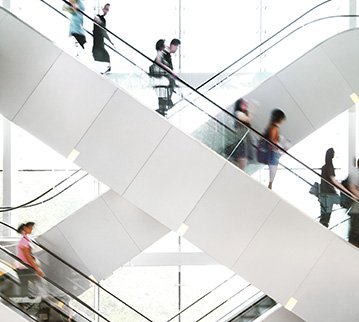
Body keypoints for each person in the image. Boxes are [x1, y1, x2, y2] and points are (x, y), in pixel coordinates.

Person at [319, 148, 354, 227]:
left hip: (324, 194)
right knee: (325, 218)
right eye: (333, 153)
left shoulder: (324, 166)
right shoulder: (329, 166)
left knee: (324, 217)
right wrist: (347, 191)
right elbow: (333, 181)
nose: (334, 155)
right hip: (328, 194)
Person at [16, 222, 44, 299]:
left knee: (25, 287)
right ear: (25, 228)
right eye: (30, 227)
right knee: (39, 284)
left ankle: (24, 304)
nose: (32, 229)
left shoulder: (26, 239)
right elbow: (28, 256)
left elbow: (29, 255)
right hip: (25, 268)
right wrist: (37, 268)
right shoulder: (24, 241)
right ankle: (41, 300)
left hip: (23, 267)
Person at [155, 38, 181, 107]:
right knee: (170, 82)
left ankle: (167, 102)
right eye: (177, 47)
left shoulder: (167, 53)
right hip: (162, 77)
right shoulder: (163, 51)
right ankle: (166, 102)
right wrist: (170, 71)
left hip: (164, 78)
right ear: (173, 45)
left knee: (171, 82)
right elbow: (158, 61)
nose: (176, 49)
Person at [231, 98, 256, 170]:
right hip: (241, 141)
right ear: (239, 104)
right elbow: (247, 119)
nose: (246, 105)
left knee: (243, 163)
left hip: (245, 141)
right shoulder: (238, 113)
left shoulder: (244, 113)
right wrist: (254, 109)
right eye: (244, 103)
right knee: (242, 162)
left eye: (246, 104)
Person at [264, 109, 286, 189]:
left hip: (273, 152)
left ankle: (270, 185)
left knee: (273, 171)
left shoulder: (272, 126)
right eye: (282, 119)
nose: (283, 121)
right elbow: (272, 141)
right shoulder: (274, 128)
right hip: (273, 153)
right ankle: (270, 186)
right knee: (273, 170)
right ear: (279, 118)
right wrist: (280, 148)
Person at [92, 3, 113, 74]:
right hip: (97, 41)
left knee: (106, 56)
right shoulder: (98, 17)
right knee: (100, 55)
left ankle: (102, 71)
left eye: (108, 10)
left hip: (100, 41)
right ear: (102, 8)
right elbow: (96, 19)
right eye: (106, 9)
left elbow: (104, 32)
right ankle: (98, 71)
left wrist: (111, 42)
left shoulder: (104, 20)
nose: (106, 11)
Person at [347, 158, 359, 246]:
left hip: (356, 209)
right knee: (355, 232)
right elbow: (352, 188)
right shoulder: (356, 174)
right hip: (356, 209)